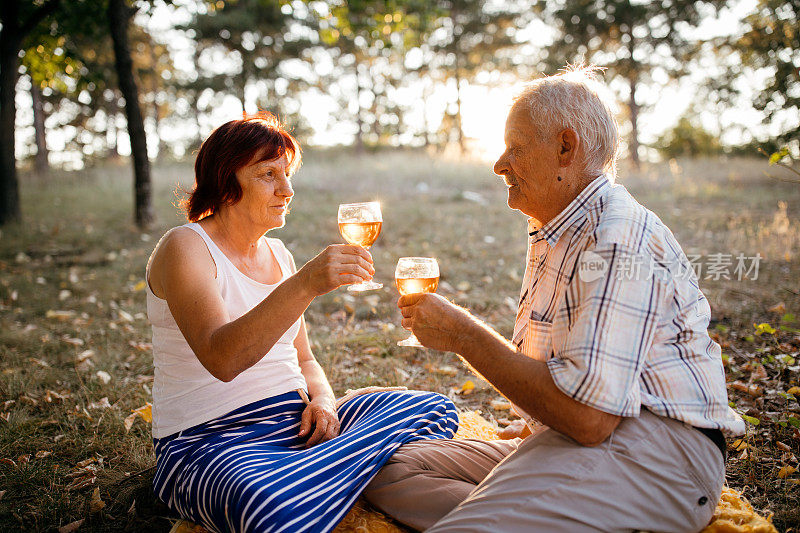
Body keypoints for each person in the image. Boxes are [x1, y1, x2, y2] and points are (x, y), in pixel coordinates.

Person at [363, 66, 745, 532]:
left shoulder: (615, 240)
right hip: (578, 436)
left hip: (660, 452)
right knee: (383, 470)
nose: (499, 164)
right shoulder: (556, 226)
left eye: (515, 149)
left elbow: (587, 418)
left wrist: (463, 335)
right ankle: (548, 514)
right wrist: (533, 434)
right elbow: (575, 370)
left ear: (566, 147)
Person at [145, 113, 458, 533]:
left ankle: (317, 477)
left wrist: (325, 402)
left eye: (287, 174)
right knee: (267, 511)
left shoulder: (279, 254)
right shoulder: (186, 247)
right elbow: (223, 358)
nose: (287, 190)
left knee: (434, 408)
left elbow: (305, 359)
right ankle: (354, 474)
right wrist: (307, 283)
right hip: (211, 440)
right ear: (225, 182)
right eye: (268, 175)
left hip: (298, 426)